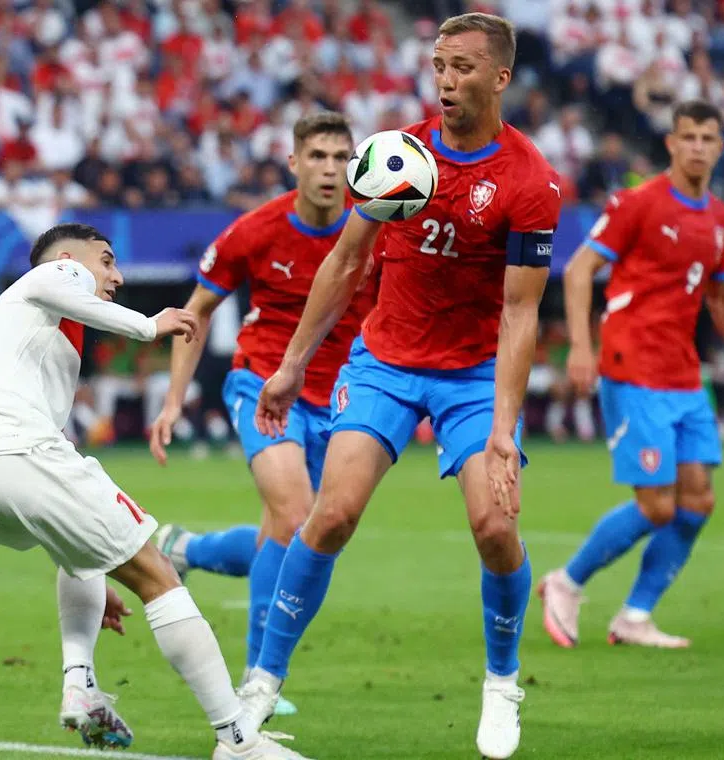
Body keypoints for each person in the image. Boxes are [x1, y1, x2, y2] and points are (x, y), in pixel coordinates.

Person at [241, 14, 562, 760]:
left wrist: (504, 432)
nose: (445, 81)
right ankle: (262, 678)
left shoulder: (528, 181)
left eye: (462, 68)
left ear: (500, 79)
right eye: (438, 65)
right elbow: (347, 262)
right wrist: (291, 363)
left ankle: (502, 681)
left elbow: (520, 314)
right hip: (385, 360)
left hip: (476, 372)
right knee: (331, 516)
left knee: (494, 527)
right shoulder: (397, 156)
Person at [0, 223, 307, 760]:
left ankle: (79, 682)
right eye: (105, 261)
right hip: (8, 447)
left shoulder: (22, 333)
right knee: (158, 573)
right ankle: (237, 739)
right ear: (67, 258)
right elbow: (67, 286)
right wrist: (149, 326)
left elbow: (45, 476)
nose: (116, 275)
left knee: (85, 559)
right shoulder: (55, 272)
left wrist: (91, 557)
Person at [147, 112, 376, 717]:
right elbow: (195, 315)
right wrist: (173, 401)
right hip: (261, 383)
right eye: (318, 156)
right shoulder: (257, 230)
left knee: (301, 535)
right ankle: (257, 678)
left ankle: (186, 549)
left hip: (342, 397)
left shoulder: (374, 227)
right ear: (294, 162)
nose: (329, 169)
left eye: (340, 158)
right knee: (295, 512)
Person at [538, 100, 724, 650]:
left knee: (697, 501)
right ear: (671, 143)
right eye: (687, 136)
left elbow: (720, 293)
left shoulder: (721, 218)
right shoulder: (637, 203)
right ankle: (566, 583)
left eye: (707, 137)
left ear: (721, 147)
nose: (697, 146)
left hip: (684, 376)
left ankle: (635, 615)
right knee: (656, 504)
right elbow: (578, 271)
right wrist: (581, 347)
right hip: (631, 366)